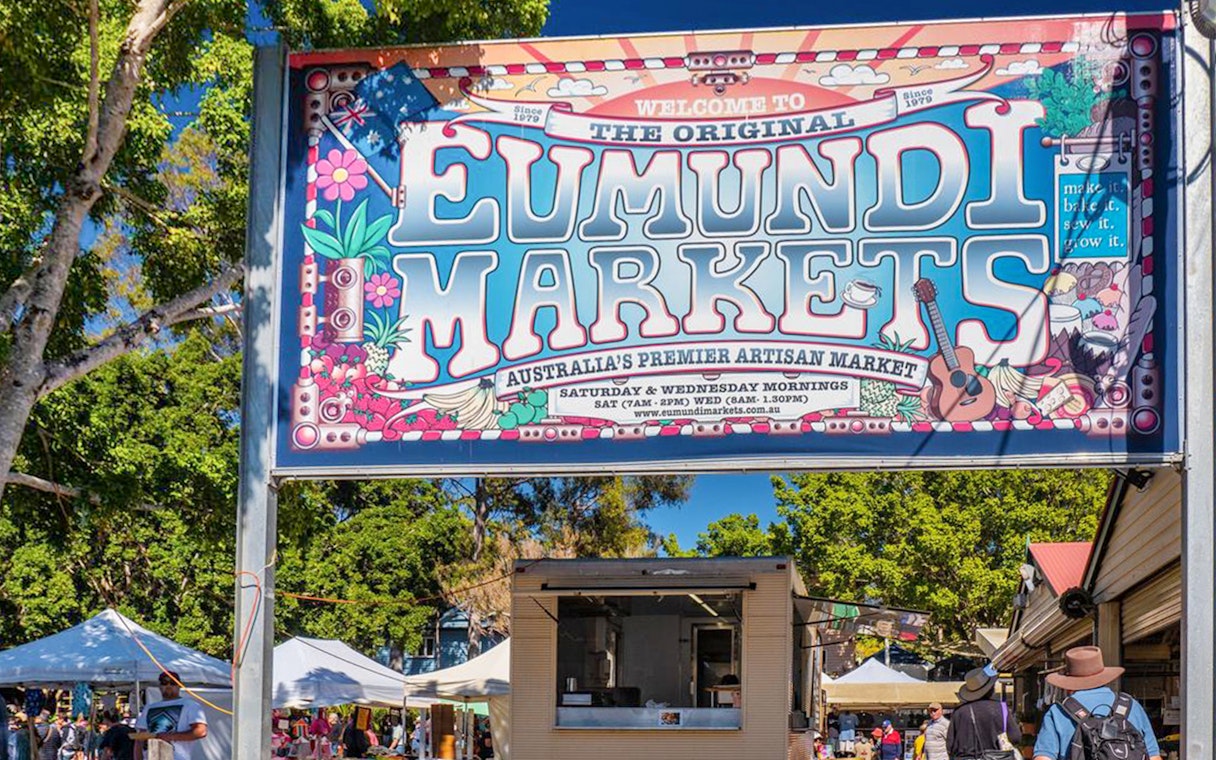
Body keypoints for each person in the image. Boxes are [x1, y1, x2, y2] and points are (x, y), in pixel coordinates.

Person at [1032, 646, 1160, 760]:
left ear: (1068, 684)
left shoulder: (1058, 712)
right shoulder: (1131, 706)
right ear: (1103, 676)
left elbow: (1043, 757)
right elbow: (1153, 756)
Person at [947, 665, 1021, 760]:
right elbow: (1015, 737)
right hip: (997, 757)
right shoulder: (1001, 708)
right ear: (990, 689)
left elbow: (950, 745)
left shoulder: (959, 712)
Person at [134, 670, 208, 760]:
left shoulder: (190, 705)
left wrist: (170, 736)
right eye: (164, 683)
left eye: (173, 683)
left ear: (179, 685)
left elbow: (201, 731)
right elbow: (140, 738)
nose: (168, 686)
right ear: (160, 686)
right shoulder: (149, 707)